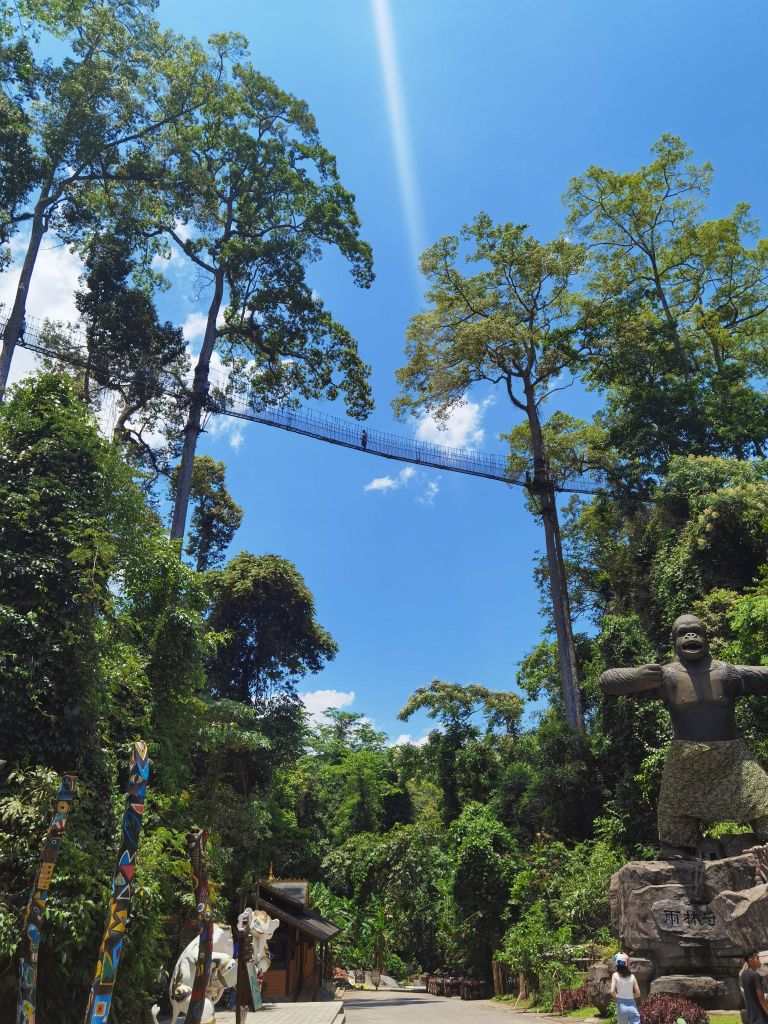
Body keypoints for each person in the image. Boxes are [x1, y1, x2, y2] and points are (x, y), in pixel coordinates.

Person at [600, 614, 768, 857]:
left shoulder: (728, 673)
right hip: (686, 758)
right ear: (674, 641)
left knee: (763, 799)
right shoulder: (666, 676)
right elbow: (606, 681)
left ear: (706, 638)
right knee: (674, 817)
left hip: (733, 758)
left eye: (696, 631)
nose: (691, 636)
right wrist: (636, 678)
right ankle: (681, 851)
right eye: (683, 632)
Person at [611, 953, 640, 1024]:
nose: (630, 964)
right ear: (625, 964)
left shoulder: (615, 975)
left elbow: (612, 991)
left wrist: (617, 998)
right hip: (632, 1006)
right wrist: (629, 996)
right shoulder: (632, 977)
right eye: (629, 963)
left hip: (621, 1006)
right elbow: (638, 994)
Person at [741, 949, 768, 1024]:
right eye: (757, 958)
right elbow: (761, 998)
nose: (759, 961)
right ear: (750, 960)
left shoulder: (743, 975)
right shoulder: (755, 976)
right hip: (761, 1018)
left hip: (752, 1018)